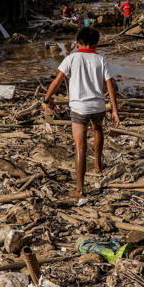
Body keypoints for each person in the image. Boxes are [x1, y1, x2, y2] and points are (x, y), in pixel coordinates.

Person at [42, 27, 120, 197]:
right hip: (98, 106)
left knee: (80, 146)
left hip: (79, 108)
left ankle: (80, 189)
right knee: (98, 130)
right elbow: (110, 86)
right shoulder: (101, 59)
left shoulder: (71, 58)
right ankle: (98, 166)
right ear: (96, 44)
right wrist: (114, 109)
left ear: (77, 44)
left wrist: (46, 99)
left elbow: (56, 82)